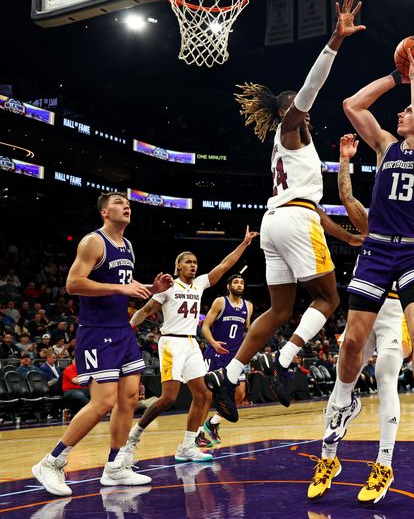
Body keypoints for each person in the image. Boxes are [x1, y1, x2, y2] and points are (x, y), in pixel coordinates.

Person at [204, 0, 365, 423]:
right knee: (329, 298)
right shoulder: (290, 127)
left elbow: (309, 207)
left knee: (279, 309)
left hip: (278, 219)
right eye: (296, 106)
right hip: (293, 220)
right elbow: (311, 87)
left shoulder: (290, 150)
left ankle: (230, 373)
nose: (305, 112)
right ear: (285, 111)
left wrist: (348, 236)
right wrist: (335, 40)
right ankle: (284, 360)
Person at [307, 134, 414, 506]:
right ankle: (328, 460)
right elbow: (347, 198)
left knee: (386, 378)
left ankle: (384, 464)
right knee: (342, 373)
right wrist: (345, 159)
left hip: (396, 312)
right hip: (368, 304)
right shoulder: (373, 222)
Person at [327, 40, 414, 468]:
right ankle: (343, 402)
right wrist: (397, 76)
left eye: (407, 108)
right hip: (378, 251)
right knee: (352, 343)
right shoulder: (385, 146)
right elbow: (352, 105)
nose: (400, 113)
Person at [32, 191, 173, 496]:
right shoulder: (93, 241)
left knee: (130, 398)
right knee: (104, 401)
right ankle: (52, 461)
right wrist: (122, 288)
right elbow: (74, 283)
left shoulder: (129, 246)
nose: (127, 207)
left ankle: (115, 466)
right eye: (120, 203)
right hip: (96, 332)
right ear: (104, 212)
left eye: (129, 204)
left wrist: (151, 288)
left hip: (121, 330)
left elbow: (121, 288)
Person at [123, 228, 257, 463]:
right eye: (188, 262)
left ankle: (186, 447)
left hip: (192, 343)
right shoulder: (168, 288)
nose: (193, 265)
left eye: (195, 262)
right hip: (171, 342)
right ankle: (133, 437)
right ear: (179, 267)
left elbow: (224, 265)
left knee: (204, 395)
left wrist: (244, 244)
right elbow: (146, 311)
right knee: (168, 398)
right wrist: (127, 329)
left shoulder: (200, 284)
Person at [198, 273, 253, 447]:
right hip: (216, 353)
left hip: (235, 356)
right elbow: (205, 326)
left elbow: (248, 330)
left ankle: (212, 423)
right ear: (228, 286)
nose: (239, 285)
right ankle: (198, 433)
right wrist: (213, 343)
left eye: (242, 282)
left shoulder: (248, 306)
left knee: (239, 395)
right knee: (206, 395)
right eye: (236, 282)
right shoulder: (220, 302)